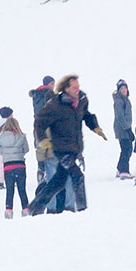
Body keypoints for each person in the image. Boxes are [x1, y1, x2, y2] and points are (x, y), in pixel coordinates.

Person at [26, 75, 102, 214]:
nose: (77, 90)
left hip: (74, 147)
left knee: (58, 181)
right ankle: (83, 209)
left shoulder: (82, 101)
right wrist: (42, 139)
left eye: (78, 86)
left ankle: (34, 207)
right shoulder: (56, 104)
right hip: (61, 148)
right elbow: (39, 121)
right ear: (66, 89)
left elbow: (86, 115)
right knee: (77, 176)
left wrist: (94, 126)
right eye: (74, 87)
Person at [0, 109, 30, 217]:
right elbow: (26, 149)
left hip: (8, 166)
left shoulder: (0, 138)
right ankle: (25, 210)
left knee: (9, 191)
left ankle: (8, 211)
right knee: (22, 189)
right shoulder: (22, 136)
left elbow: (0, 152)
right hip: (20, 165)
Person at [112, 80, 133, 180]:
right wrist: (128, 129)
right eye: (122, 89)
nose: (124, 90)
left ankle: (120, 169)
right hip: (122, 129)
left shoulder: (124, 100)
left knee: (127, 148)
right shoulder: (119, 101)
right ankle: (124, 171)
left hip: (125, 127)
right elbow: (120, 116)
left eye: (125, 88)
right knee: (126, 148)